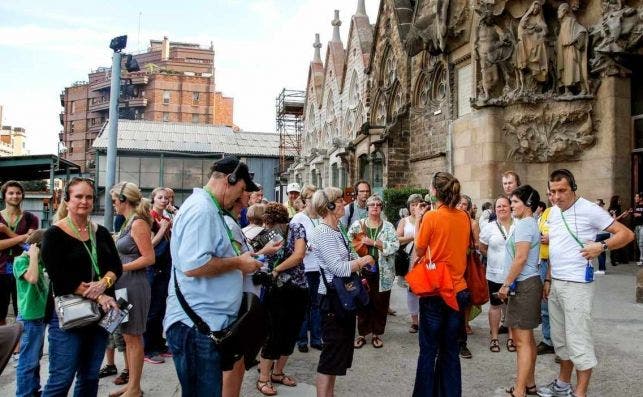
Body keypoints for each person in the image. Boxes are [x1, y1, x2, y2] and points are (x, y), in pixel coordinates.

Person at [163, 156, 262, 397]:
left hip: (206, 323)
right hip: (196, 326)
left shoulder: (210, 208)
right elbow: (193, 265)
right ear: (230, 180)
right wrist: (239, 262)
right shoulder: (202, 210)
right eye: (240, 189)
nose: (241, 197)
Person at [538, 169, 634, 397]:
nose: (556, 196)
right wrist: (549, 278)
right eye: (552, 192)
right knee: (560, 341)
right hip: (557, 283)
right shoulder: (552, 213)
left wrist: (601, 247)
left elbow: (626, 234)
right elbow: (557, 248)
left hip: (578, 285)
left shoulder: (589, 209)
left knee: (578, 339)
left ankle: (580, 393)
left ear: (573, 188)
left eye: (562, 190)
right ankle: (562, 384)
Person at [41, 177, 122, 396]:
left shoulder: (101, 232)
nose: (84, 201)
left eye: (88, 197)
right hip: (69, 315)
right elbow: (60, 278)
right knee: (61, 379)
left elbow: (116, 266)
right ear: (67, 201)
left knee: (89, 377)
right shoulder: (54, 235)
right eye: (78, 196)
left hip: (101, 316)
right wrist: (98, 295)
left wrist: (104, 282)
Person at [309, 187, 374, 397]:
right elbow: (338, 267)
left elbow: (348, 257)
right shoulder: (322, 232)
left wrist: (360, 259)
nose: (344, 203)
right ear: (328, 206)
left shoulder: (337, 229)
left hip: (343, 296)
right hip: (332, 298)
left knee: (338, 354)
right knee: (331, 354)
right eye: (339, 200)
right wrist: (362, 260)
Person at [412, 172, 471, 397]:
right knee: (450, 350)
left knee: (428, 350)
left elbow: (419, 249)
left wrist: (419, 219)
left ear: (435, 191)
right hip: (458, 289)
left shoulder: (432, 217)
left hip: (436, 289)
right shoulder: (464, 217)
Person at [222, 192, 281, 397]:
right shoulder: (230, 226)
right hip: (245, 293)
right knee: (235, 353)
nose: (245, 207)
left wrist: (258, 254)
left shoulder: (238, 227)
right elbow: (241, 262)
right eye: (243, 201)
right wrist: (263, 255)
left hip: (248, 290)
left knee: (238, 353)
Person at [256, 203, 308, 396]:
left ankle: (277, 373)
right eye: (268, 225)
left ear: (281, 221)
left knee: (291, 332)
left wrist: (277, 269)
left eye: (272, 224)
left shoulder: (296, 228)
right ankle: (263, 378)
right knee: (273, 333)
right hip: (274, 291)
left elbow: (299, 255)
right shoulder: (265, 234)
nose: (270, 229)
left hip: (297, 287)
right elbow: (257, 256)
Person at [109, 182, 156, 397]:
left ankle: (135, 388)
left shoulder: (138, 224)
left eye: (114, 201)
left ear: (124, 200)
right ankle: (131, 385)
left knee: (134, 337)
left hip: (134, 285)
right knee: (127, 336)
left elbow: (149, 258)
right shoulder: (128, 222)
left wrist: (120, 267)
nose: (113, 205)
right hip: (124, 285)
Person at [497, 185, 542, 397]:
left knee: (522, 342)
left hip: (523, 285)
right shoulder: (529, 223)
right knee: (528, 340)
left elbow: (521, 258)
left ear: (528, 204)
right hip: (529, 284)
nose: (511, 205)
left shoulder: (525, 224)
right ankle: (529, 384)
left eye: (515, 202)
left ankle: (520, 389)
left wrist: (506, 284)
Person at [349, 195, 399, 349]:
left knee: (380, 302)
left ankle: (377, 334)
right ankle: (362, 334)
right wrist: (357, 261)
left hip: (383, 271)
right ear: (367, 207)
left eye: (378, 204)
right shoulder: (358, 225)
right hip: (362, 270)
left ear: (381, 207)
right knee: (362, 301)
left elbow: (395, 245)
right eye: (372, 205)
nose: (375, 207)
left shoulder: (388, 226)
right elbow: (349, 244)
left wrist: (375, 243)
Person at [13, 229, 48, 397]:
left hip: (40, 317)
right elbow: (32, 278)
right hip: (29, 318)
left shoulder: (40, 261)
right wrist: (33, 255)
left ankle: (34, 390)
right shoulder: (20, 261)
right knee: (27, 361)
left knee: (35, 359)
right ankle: (24, 394)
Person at [479, 196, 515, 354]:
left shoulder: (518, 225)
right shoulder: (489, 227)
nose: (501, 209)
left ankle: (511, 337)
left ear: (510, 207)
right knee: (495, 306)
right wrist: (495, 261)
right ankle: (494, 337)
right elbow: (482, 248)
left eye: (504, 206)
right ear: (495, 210)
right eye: (498, 206)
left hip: (513, 274)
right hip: (495, 274)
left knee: (511, 306)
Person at [1, 181, 39, 327]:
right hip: (1, 268)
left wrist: (5, 231)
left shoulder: (31, 218)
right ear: (4, 196)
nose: (15, 196)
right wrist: (21, 237)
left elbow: (29, 244)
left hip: (24, 268)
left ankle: (19, 344)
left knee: (22, 309)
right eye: (11, 193)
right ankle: (4, 343)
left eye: (18, 193)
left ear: (22, 195)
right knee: (0, 311)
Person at [292, 185, 323, 353]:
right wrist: (305, 246)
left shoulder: (322, 217)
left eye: (316, 197)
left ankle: (317, 338)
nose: (314, 201)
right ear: (304, 200)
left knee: (317, 304)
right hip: (305, 267)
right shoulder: (298, 218)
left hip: (320, 267)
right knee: (304, 304)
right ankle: (302, 339)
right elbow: (292, 241)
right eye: (310, 198)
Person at [144, 187, 173, 363]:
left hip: (164, 267)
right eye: (160, 197)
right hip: (153, 268)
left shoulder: (166, 218)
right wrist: (163, 229)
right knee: (152, 310)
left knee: (161, 308)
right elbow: (149, 244)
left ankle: (158, 343)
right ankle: (148, 348)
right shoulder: (149, 218)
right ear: (153, 199)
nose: (164, 200)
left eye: (167, 198)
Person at [455, 194, 480, 358]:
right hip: (450, 268)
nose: (462, 207)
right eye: (459, 204)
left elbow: (477, 246)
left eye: (465, 204)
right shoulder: (450, 220)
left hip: (466, 267)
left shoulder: (472, 223)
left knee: (464, 302)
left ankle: (462, 342)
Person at [396, 194, 424, 333]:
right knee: (411, 290)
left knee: (425, 290)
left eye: (418, 204)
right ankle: (415, 321)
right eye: (412, 205)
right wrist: (413, 237)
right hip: (409, 259)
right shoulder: (404, 221)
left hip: (423, 258)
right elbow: (397, 239)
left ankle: (425, 320)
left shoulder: (427, 219)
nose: (415, 207)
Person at [536, 190, 555, 356]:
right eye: (549, 193)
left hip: (559, 263)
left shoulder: (568, 214)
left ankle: (562, 345)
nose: (553, 197)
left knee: (560, 306)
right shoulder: (547, 212)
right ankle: (548, 339)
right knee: (544, 303)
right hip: (543, 261)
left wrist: (552, 238)